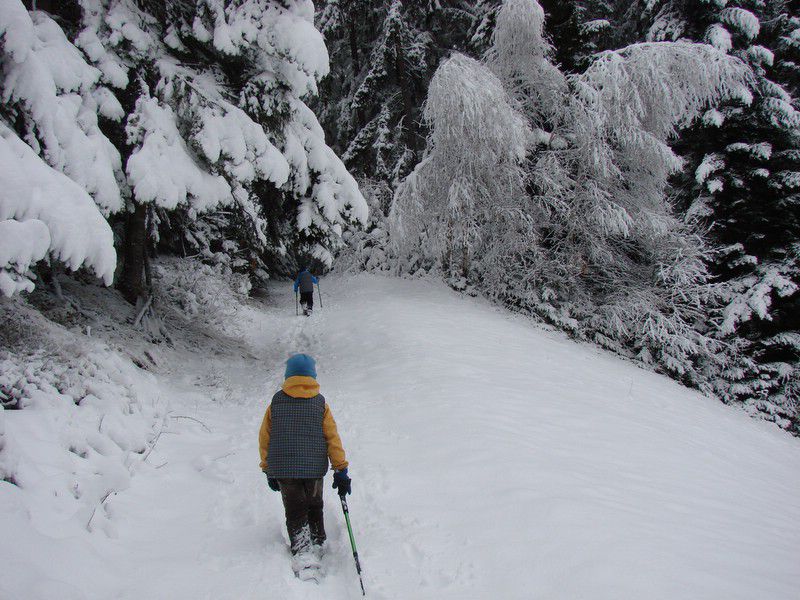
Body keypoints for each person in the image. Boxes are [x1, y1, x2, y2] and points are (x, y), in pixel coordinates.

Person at [259, 353, 352, 558]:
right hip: (313, 468)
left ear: (288, 376)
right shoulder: (320, 404)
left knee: (294, 509)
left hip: (284, 468)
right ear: (313, 376)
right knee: (313, 504)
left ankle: (301, 549)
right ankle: (317, 540)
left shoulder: (276, 403)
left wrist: (267, 467)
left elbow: (265, 437)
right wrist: (340, 468)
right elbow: (332, 438)